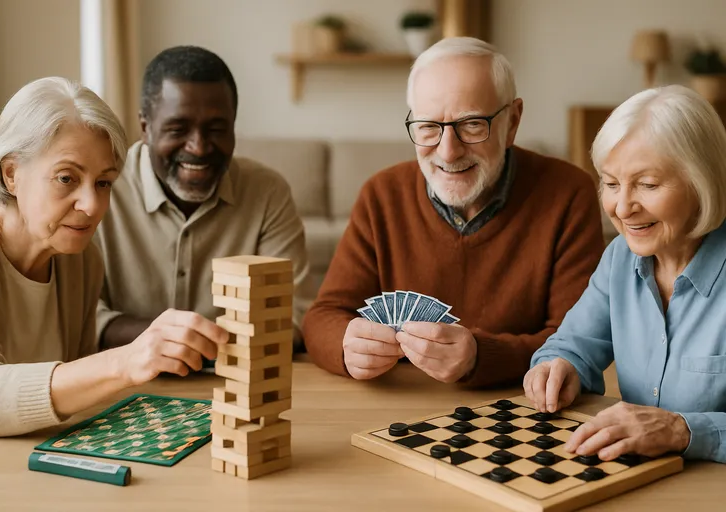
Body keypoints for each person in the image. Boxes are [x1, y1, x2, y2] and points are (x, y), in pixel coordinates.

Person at [302, 37, 605, 386]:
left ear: (513, 121)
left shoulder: (568, 193)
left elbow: (576, 345)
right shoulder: (381, 194)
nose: (448, 152)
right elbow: (322, 317)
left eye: (472, 124)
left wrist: (482, 356)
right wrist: (345, 344)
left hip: (515, 413)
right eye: (429, 127)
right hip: (396, 410)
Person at [0, 77, 229, 438]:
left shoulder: (81, 261)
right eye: (67, 178)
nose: (91, 207)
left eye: (103, 183)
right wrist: (127, 360)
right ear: (11, 174)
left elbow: (74, 400)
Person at [526, 85, 726, 464]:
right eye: (611, 183)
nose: (621, 207)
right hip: (634, 480)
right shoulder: (620, 256)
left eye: (648, 185)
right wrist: (557, 368)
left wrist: (680, 430)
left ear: (703, 182)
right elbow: (572, 345)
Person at [93, 46, 312, 354]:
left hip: (232, 379)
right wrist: (163, 338)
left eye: (217, 129)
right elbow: (78, 316)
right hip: (121, 376)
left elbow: (292, 312)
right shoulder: (101, 188)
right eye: (178, 129)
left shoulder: (267, 192)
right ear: (145, 128)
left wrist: (199, 343)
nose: (198, 147)